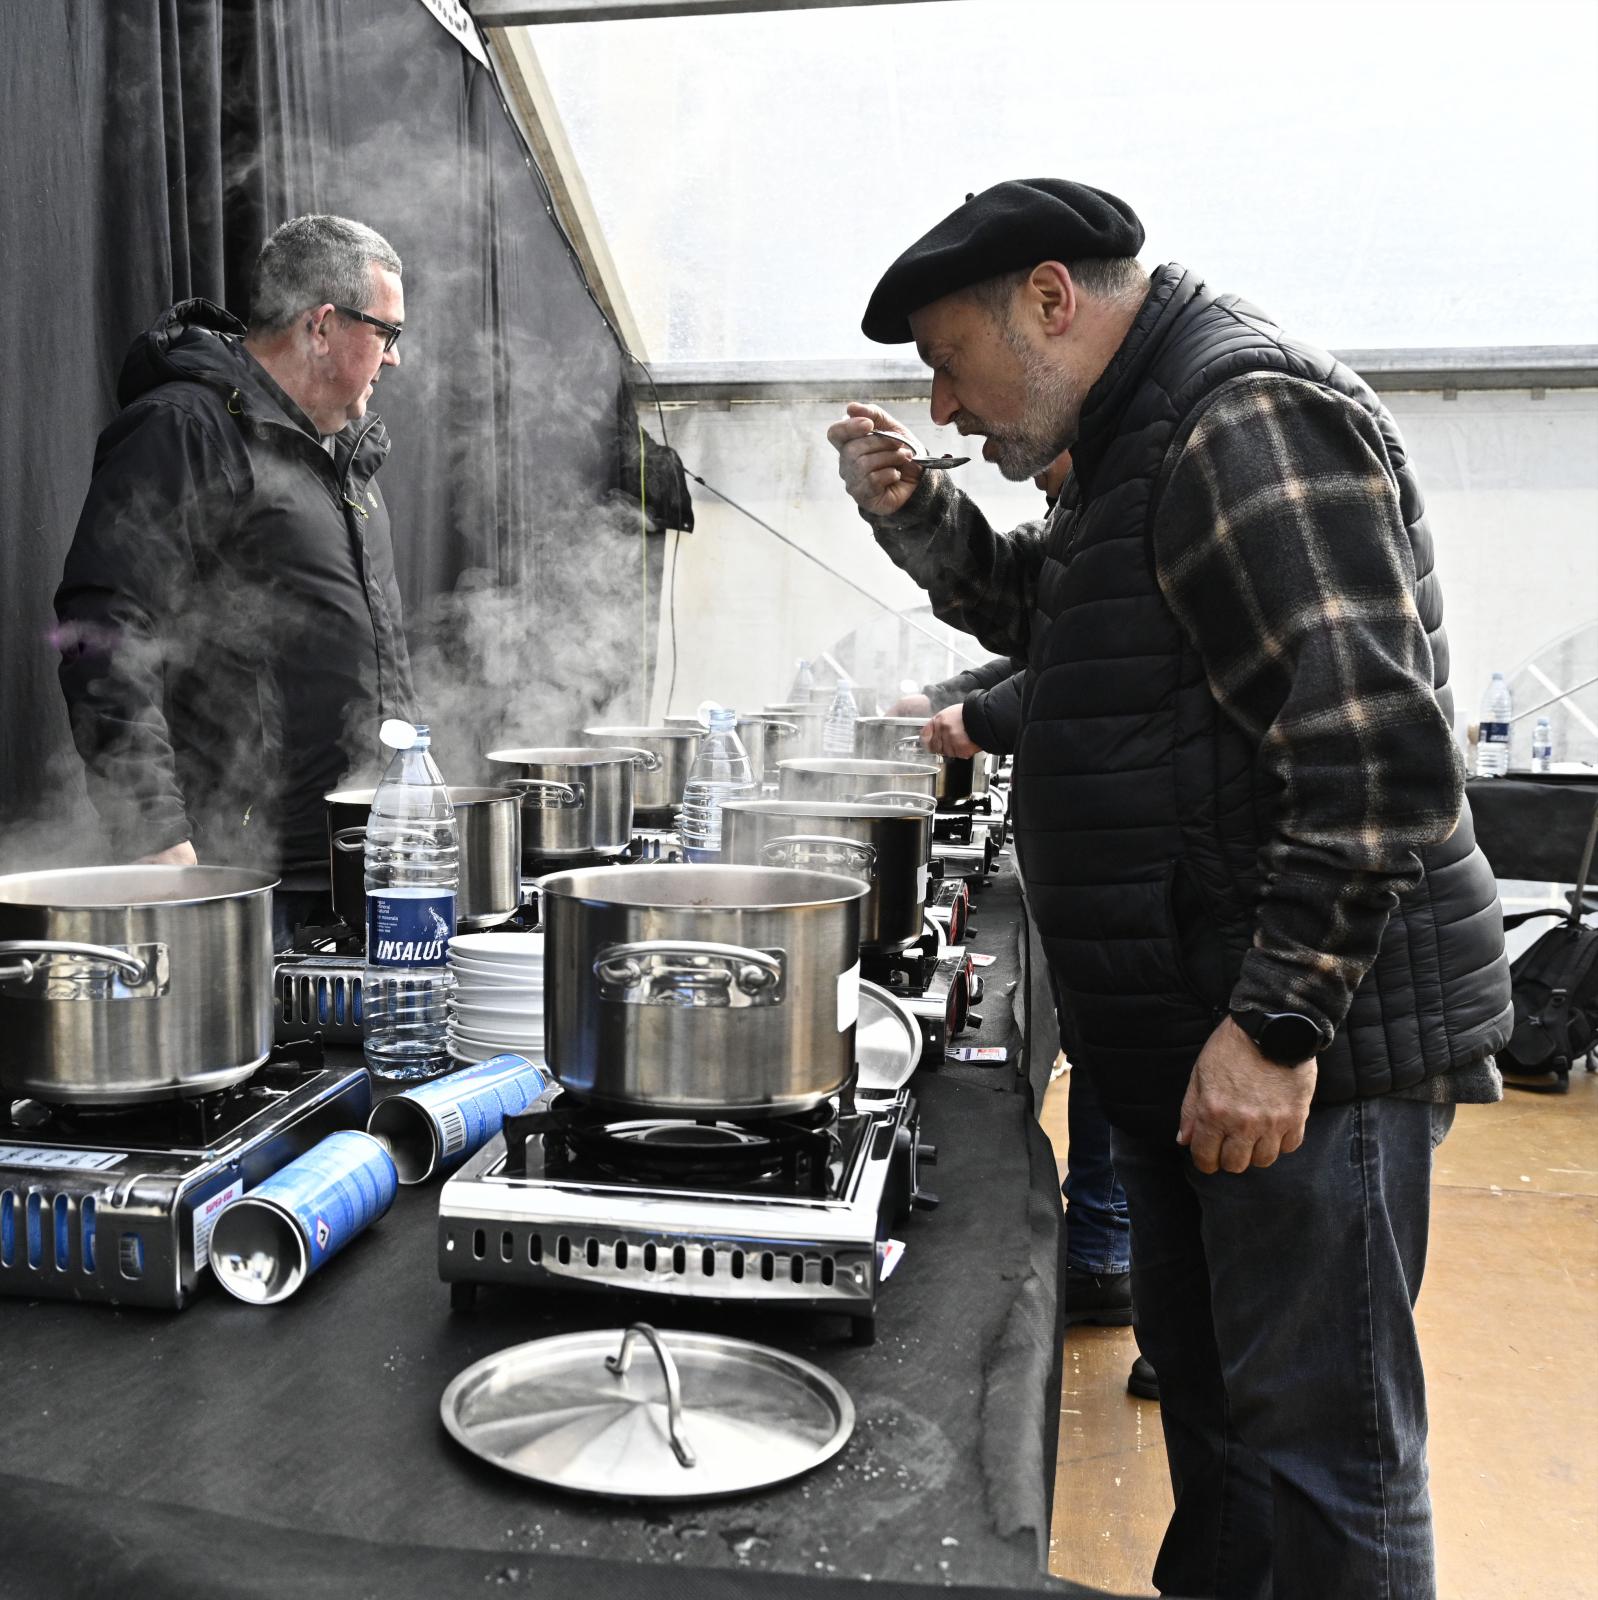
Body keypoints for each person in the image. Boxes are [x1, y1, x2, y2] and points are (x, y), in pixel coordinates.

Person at [828, 179, 1512, 1600]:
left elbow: (1377, 761)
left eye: (949, 365)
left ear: (1050, 300)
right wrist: (920, 515)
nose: (947, 409)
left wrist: (1272, 1030)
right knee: (1220, 1425)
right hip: (1187, 1035)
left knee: (1325, 1461)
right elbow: (1063, 624)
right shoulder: (1135, 434)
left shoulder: (1240, 417)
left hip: (1303, 1059)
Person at [55, 215, 415, 947]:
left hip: (362, 868)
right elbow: (104, 631)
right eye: (387, 333)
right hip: (244, 878)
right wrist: (151, 831)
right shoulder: (181, 429)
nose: (395, 360)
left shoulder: (346, 458)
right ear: (322, 326)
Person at [897, 450, 1153, 1396]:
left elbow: (1090, 669)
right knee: (1116, 1069)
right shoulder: (1093, 507)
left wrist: (973, 716)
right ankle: (1109, 1255)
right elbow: (1044, 642)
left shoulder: (1154, 488)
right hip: (1129, 890)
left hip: (1170, 899)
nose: (961, 423)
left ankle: (1124, 1271)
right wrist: (944, 700)